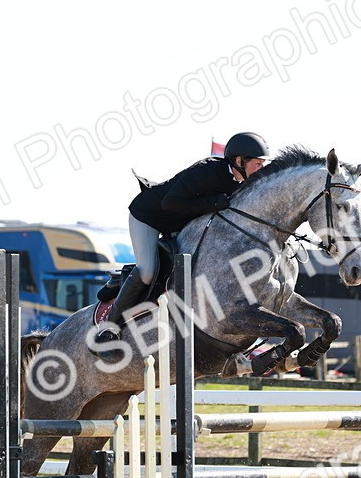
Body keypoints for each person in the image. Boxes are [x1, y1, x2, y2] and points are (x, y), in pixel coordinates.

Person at [91, 132, 270, 349]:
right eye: (258, 164)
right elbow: (170, 203)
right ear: (240, 161)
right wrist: (214, 202)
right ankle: (109, 327)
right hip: (149, 216)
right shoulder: (207, 171)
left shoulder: (242, 183)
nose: (262, 169)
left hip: (178, 226)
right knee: (148, 271)